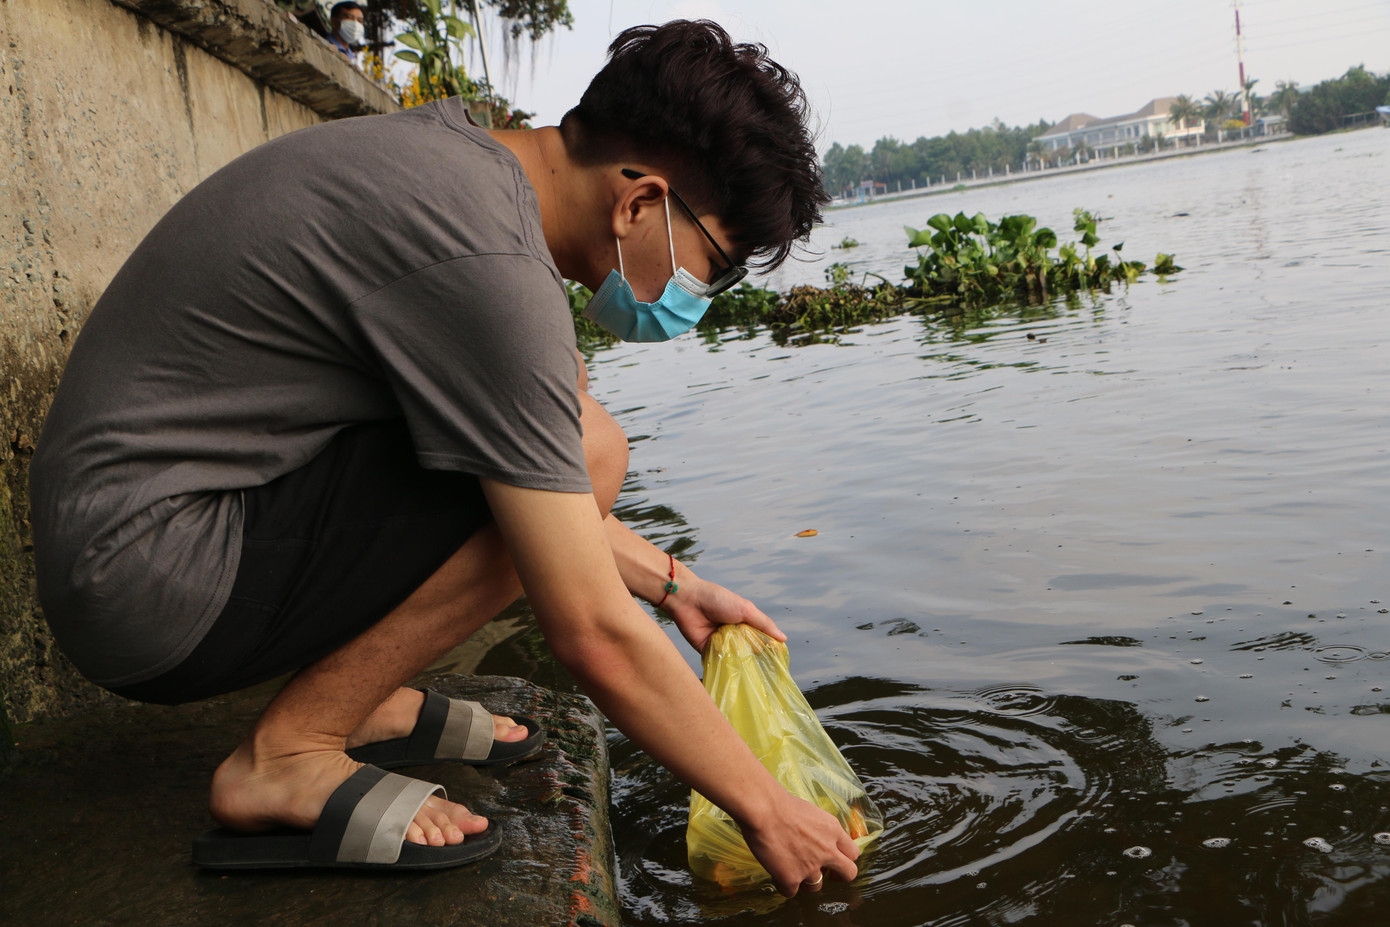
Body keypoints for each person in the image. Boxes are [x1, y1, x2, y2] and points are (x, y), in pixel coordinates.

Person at [28, 20, 857, 893]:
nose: (699, 298)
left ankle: (355, 693)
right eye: (712, 267)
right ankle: (291, 751)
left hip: (145, 536)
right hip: (151, 578)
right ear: (640, 203)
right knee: (589, 443)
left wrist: (678, 586)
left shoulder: (456, 165)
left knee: (553, 421)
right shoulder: (490, 262)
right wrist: (767, 806)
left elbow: (518, 475)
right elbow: (588, 628)